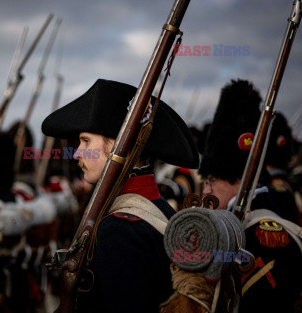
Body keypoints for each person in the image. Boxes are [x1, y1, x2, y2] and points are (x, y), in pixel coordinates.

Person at [41, 79, 199, 312]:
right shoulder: (159, 208)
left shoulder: (120, 230)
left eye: (86, 141)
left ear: (118, 145)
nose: (77, 153)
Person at [199, 79, 302, 312]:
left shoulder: (260, 237)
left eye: (212, 180)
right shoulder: (237, 224)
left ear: (238, 178)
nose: (206, 190)